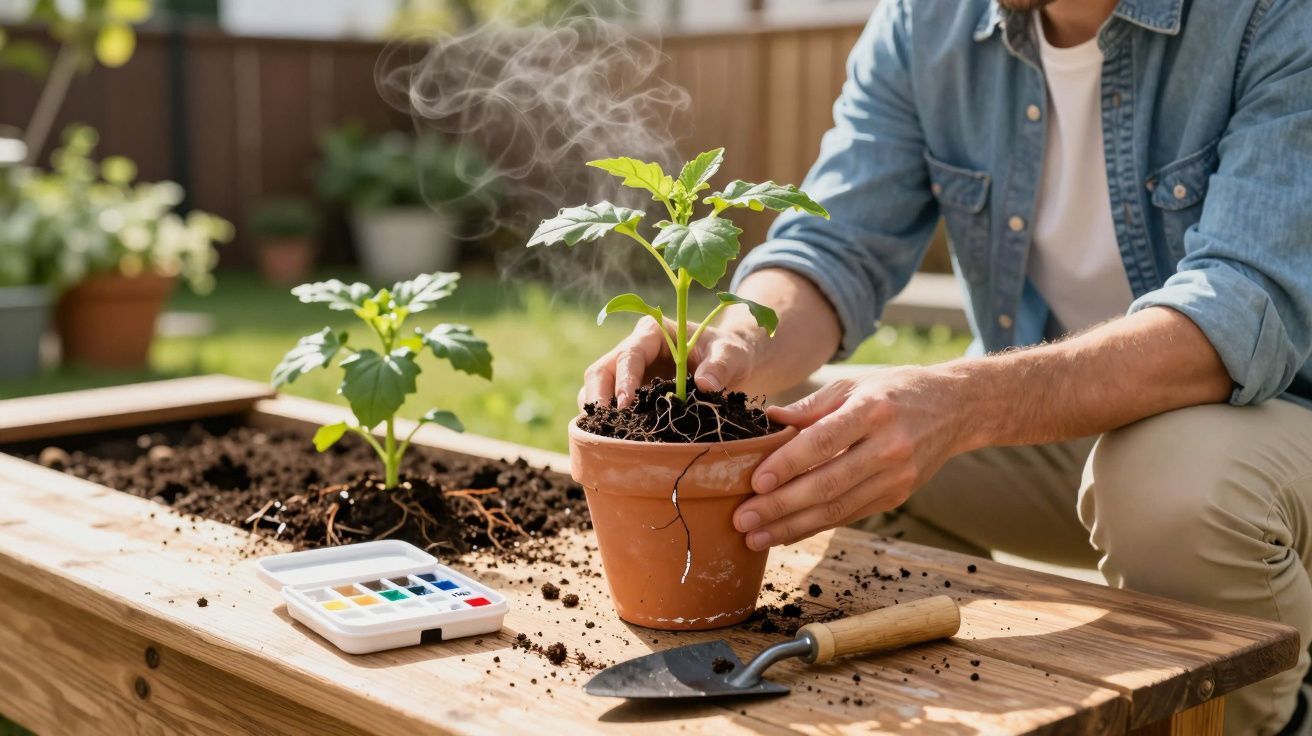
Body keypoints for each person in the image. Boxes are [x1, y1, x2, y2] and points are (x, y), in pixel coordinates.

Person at [580, 0, 1312, 733]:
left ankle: (1265, 719)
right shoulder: (927, 21)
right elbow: (835, 249)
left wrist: (962, 404)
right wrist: (732, 343)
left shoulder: (1274, 17)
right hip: (1067, 433)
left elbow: (1238, 313)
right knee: (814, 438)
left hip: (1270, 425)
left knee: (1172, 480)